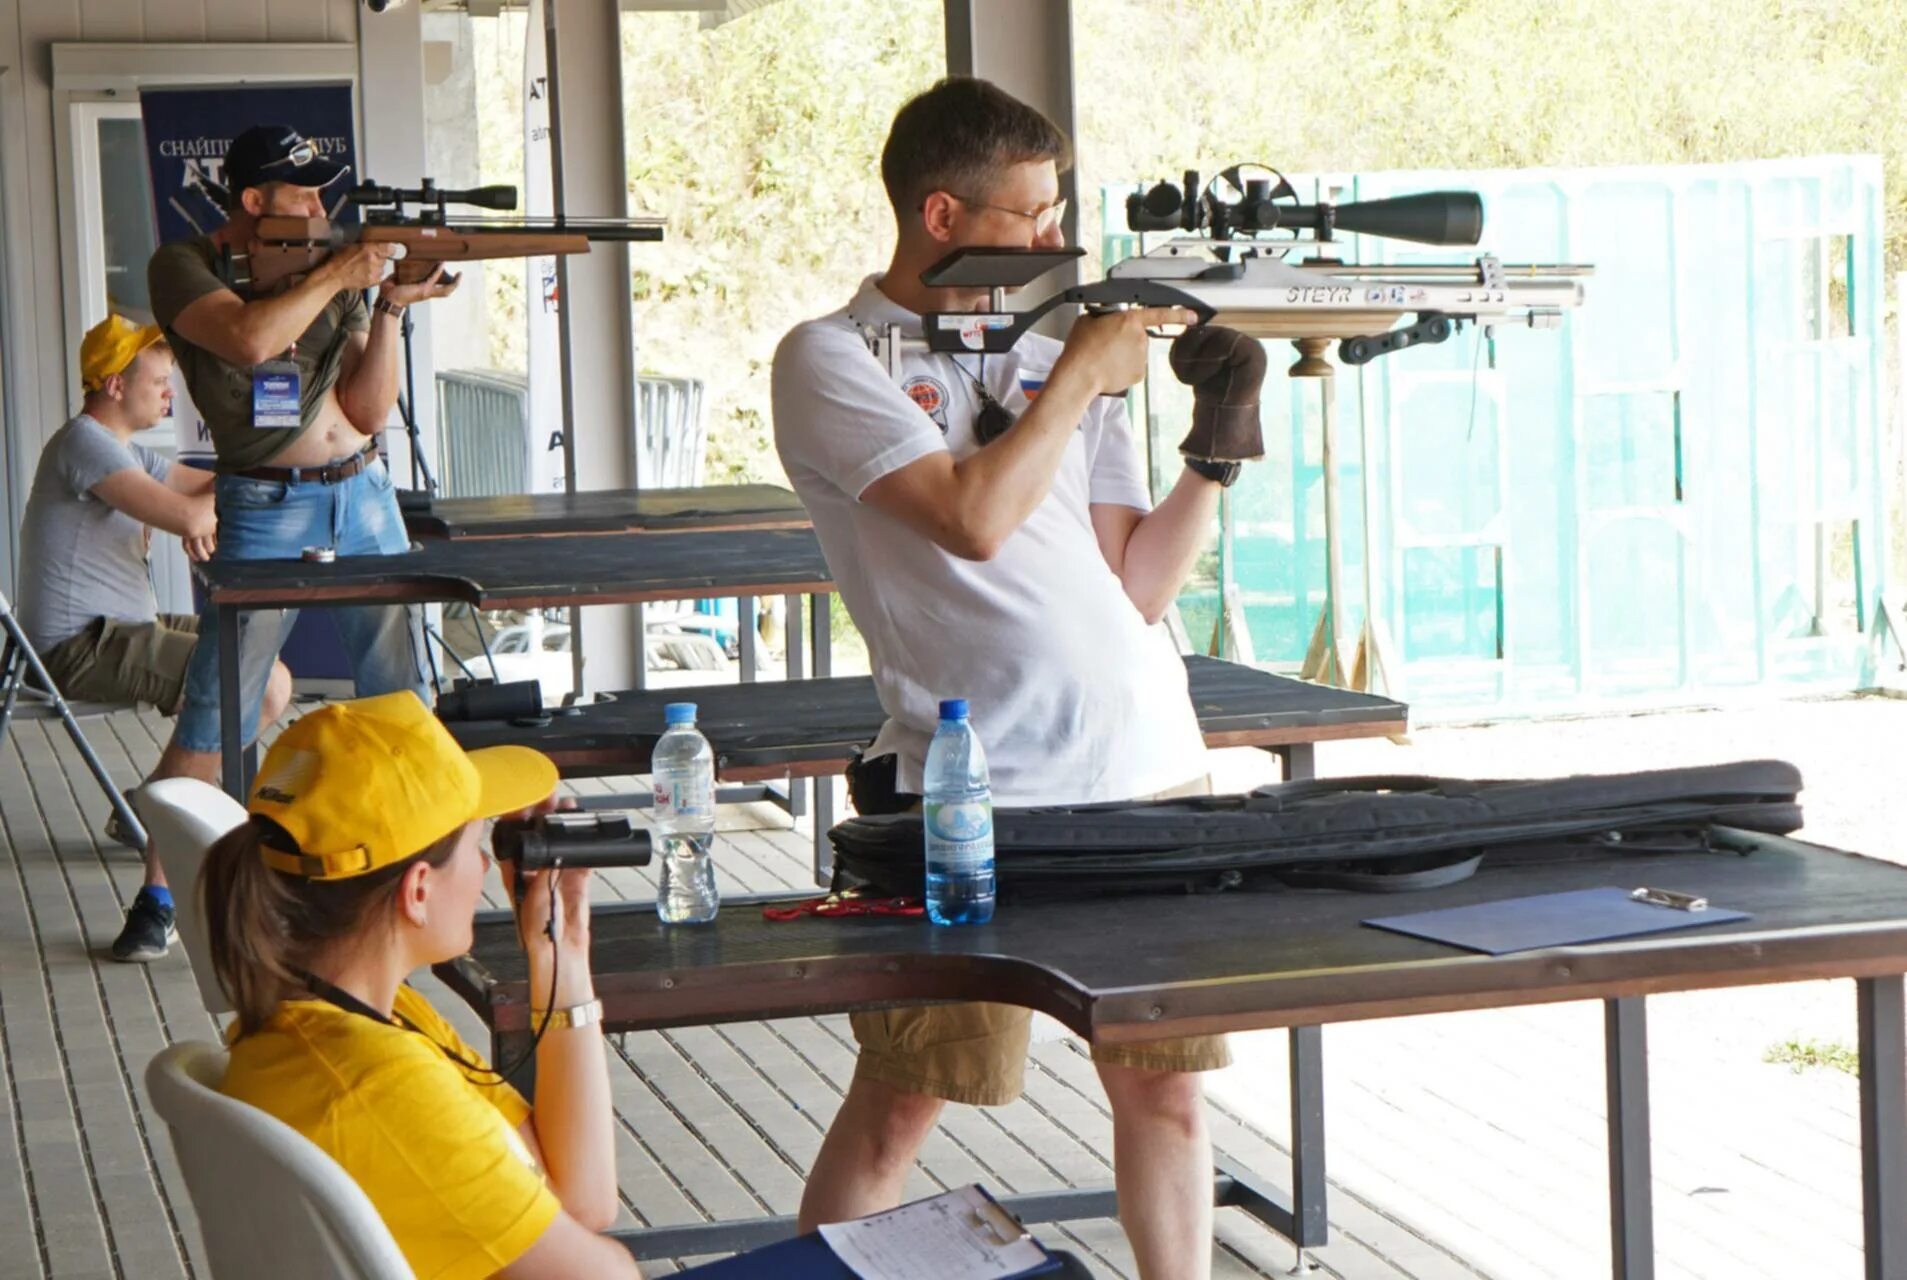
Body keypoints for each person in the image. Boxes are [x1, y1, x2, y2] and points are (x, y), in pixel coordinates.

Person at [771, 78, 1264, 1280]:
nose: (1057, 244)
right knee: (902, 1102)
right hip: (966, 791)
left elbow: (1134, 581)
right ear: (941, 214)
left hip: (1147, 767)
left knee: (1166, 1098)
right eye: (1032, 217)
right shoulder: (830, 359)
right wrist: (1072, 382)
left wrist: (1216, 441)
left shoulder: (1054, 353)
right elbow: (971, 518)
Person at [124, 123, 457, 961]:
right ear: (251, 203)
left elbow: (368, 410)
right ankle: (159, 896)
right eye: (301, 192)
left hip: (364, 492)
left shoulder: (321, 273)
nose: (320, 206)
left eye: (321, 192)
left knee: (397, 697)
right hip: (267, 504)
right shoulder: (185, 265)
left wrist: (384, 304)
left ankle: (414, 879)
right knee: (216, 707)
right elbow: (248, 340)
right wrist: (342, 269)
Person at [200, 691, 642, 1278]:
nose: (488, 865)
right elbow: (602, 1274)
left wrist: (561, 950)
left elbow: (582, 1199)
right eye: (474, 844)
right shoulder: (381, 1085)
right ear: (418, 891)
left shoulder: (359, 1018)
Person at [16, 314, 291, 962]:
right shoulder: (85, 444)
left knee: (271, 677)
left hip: (126, 627)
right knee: (242, 687)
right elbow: (190, 513)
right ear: (114, 384)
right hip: (81, 646)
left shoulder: (122, 450)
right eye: (159, 381)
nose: (169, 394)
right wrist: (212, 505)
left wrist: (264, 462)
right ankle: (160, 868)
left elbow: (207, 488)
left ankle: (149, 806)